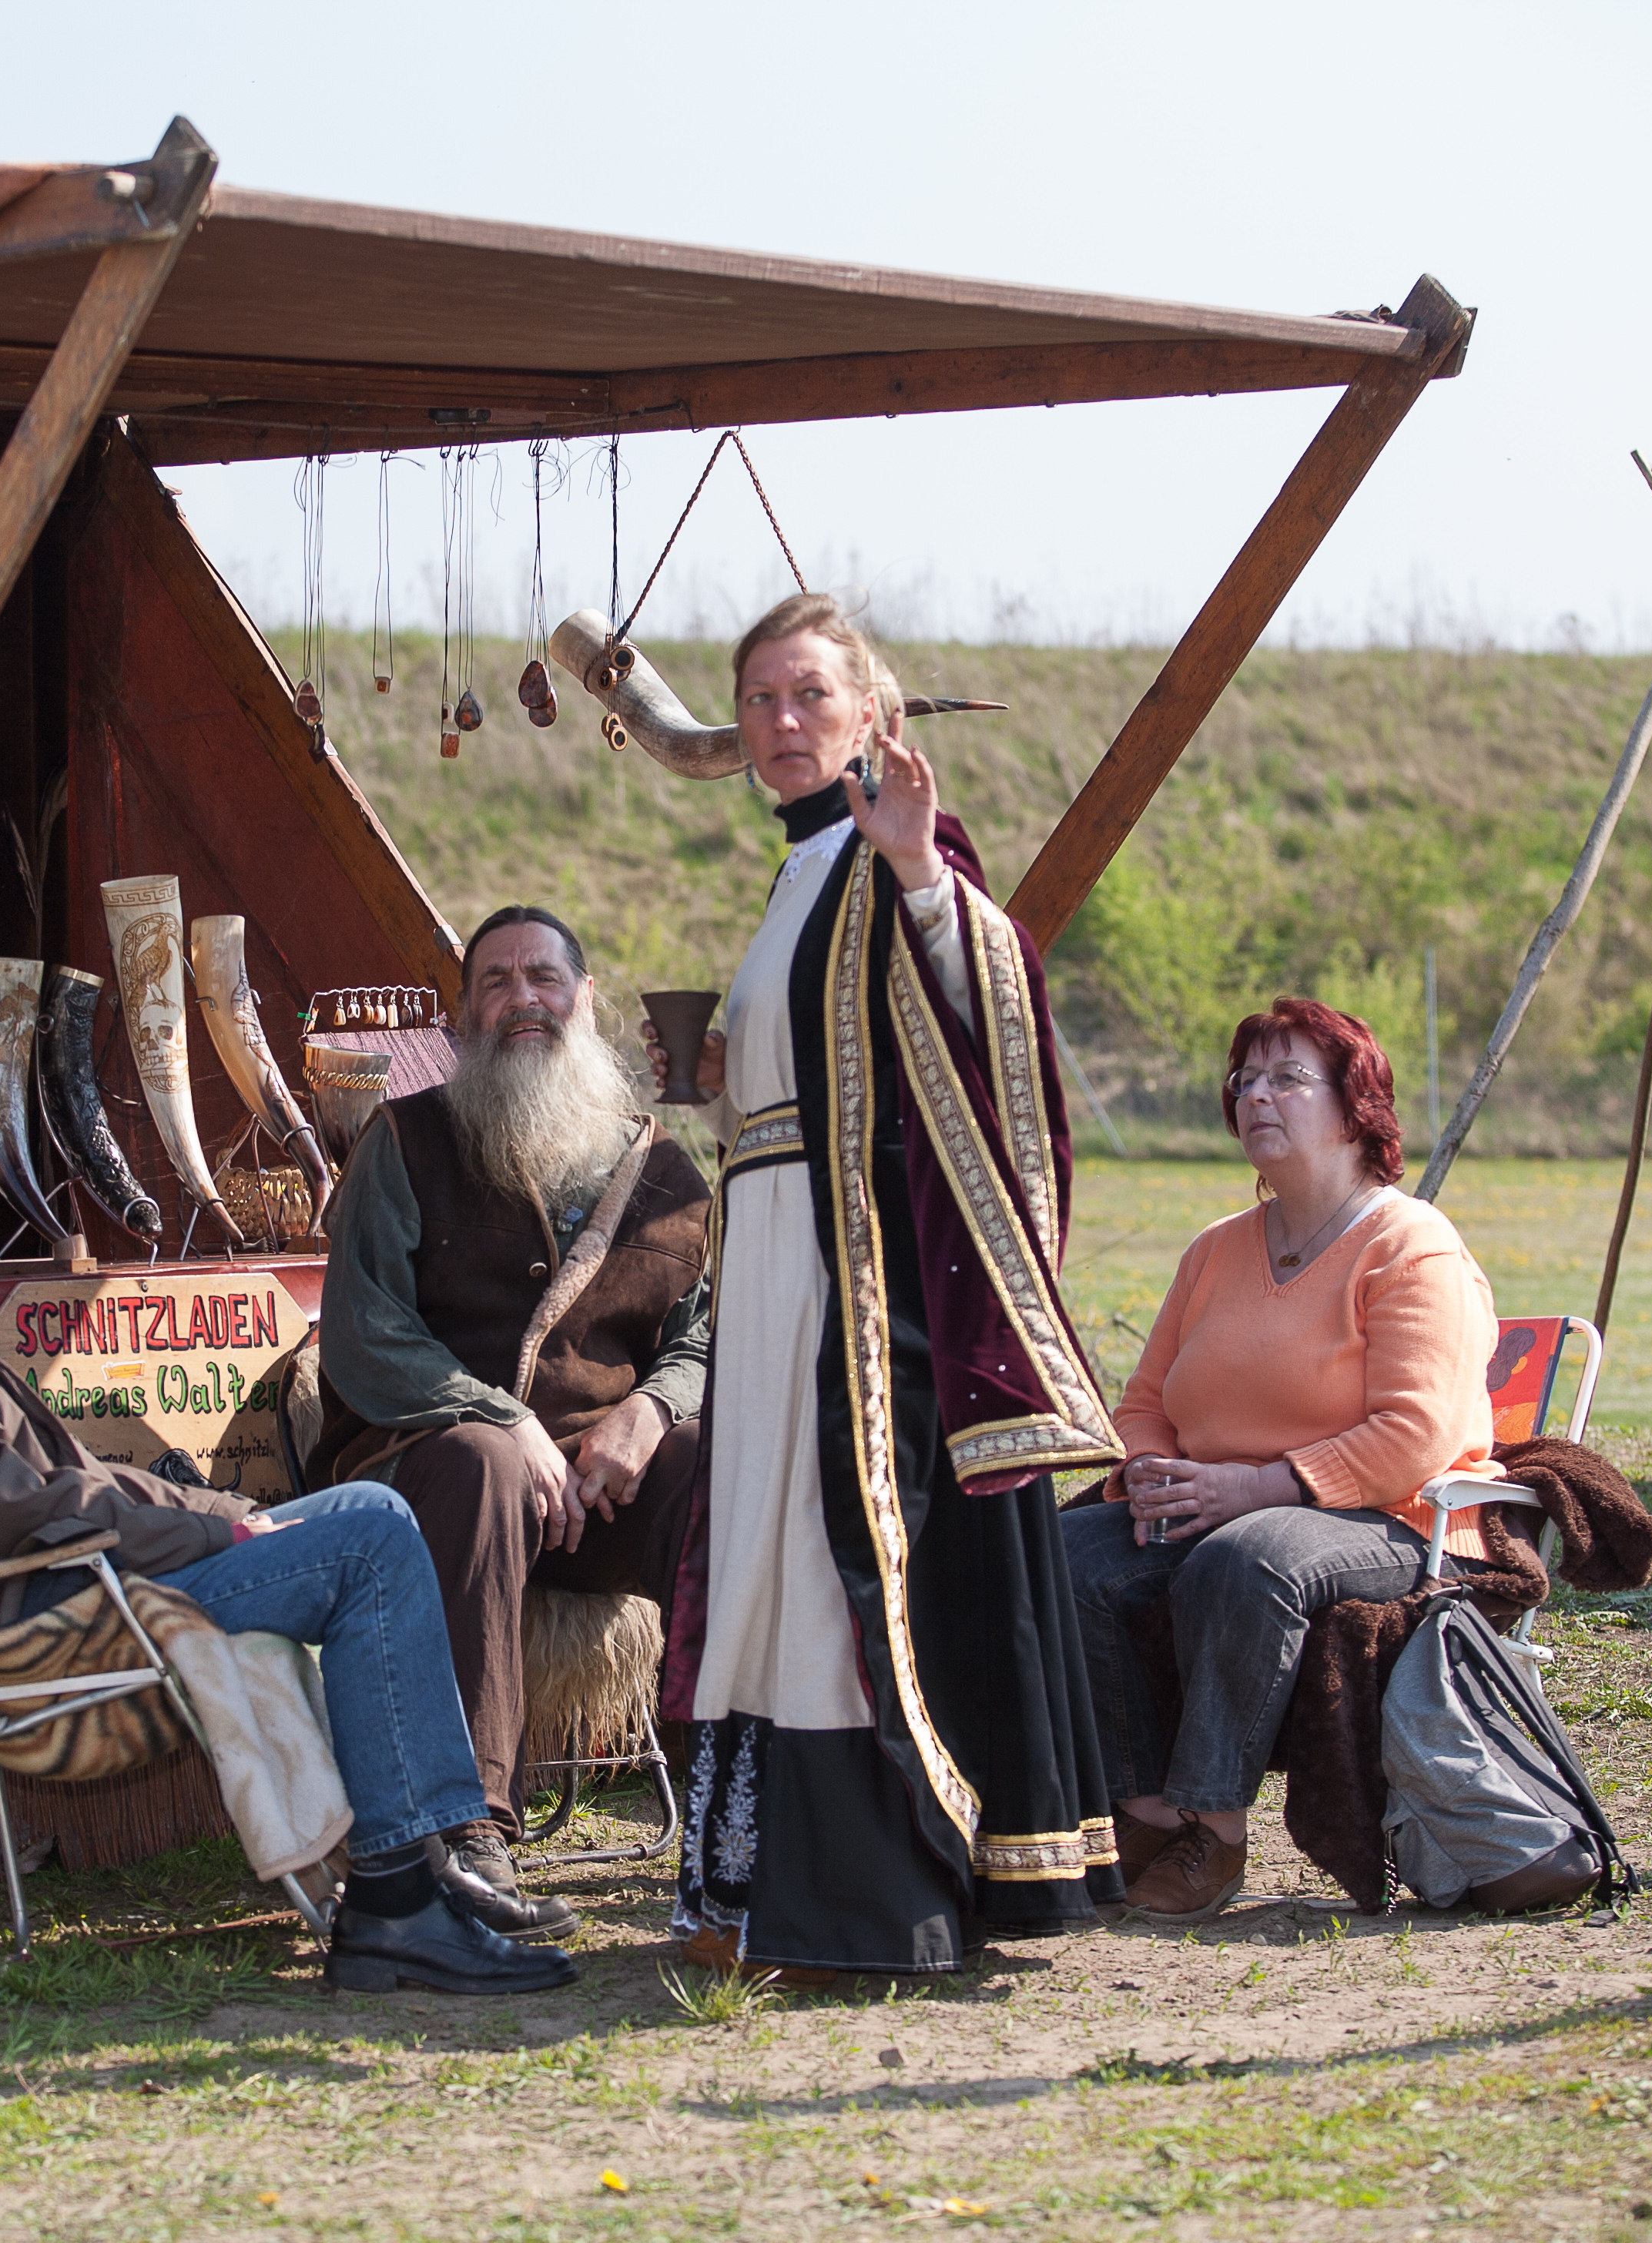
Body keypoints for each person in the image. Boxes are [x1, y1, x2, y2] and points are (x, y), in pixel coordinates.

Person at [0, 1108, 574, 1997]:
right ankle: (399, 1902)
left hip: (81, 1573)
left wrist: (228, 1509)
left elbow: (74, 1480)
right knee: (369, 1543)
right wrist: (219, 1531)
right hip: (53, 1615)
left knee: (367, 1505)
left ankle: (424, 1864)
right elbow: (21, 1511)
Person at [646, 594, 1129, 1980]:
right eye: (760, 700)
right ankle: (745, 1890)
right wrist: (723, 1080)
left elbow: (993, 1007)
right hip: (769, 1262)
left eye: (810, 694)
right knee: (762, 1551)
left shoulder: (897, 845)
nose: (782, 721)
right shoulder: (796, 871)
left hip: (858, 1285)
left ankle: (860, 1903)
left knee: (826, 1559)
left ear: (871, 712)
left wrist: (920, 868)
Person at [1060, 997, 1546, 1926]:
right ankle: (1145, 1813)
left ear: (1357, 1107)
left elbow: (1414, 1434)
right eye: (1245, 1079)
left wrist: (1251, 1486)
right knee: (1064, 1554)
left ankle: (1215, 1828)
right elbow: (1146, 1401)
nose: (1256, 1095)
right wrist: (1151, 1467)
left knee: (1246, 1558)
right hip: (1217, 1499)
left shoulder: (1412, 1245)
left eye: (1288, 1077)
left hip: (1390, 1516)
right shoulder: (1215, 1250)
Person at [310, 904, 711, 1940]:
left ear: (586, 1001)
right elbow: (363, 1331)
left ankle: (733, 1808)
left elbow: (706, 1335)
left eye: (543, 977)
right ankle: (466, 1833)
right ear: (463, 1014)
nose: (521, 998)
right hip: (426, 1473)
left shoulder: (666, 1171)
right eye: (495, 981)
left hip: (597, 1489)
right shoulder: (404, 1141)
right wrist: (501, 1418)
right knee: (485, 1461)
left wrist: (651, 1412)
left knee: (715, 1467)